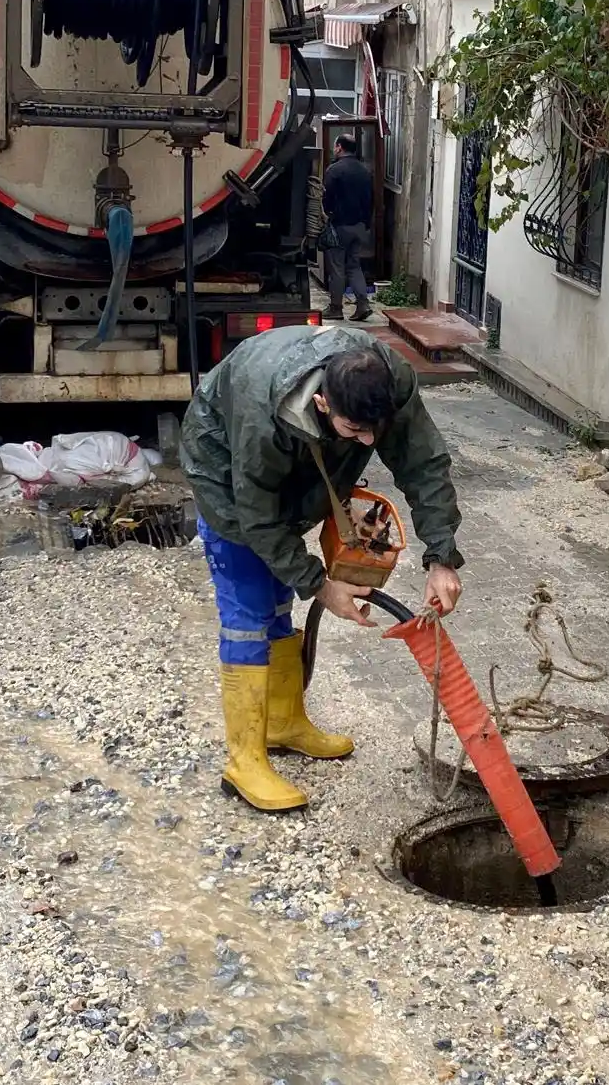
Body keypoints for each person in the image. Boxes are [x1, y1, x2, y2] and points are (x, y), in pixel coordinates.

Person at [180, 324, 464, 813]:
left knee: (278, 601)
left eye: (376, 429)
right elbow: (258, 516)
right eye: (358, 432)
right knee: (249, 610)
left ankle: (284, 724)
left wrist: (441, 556)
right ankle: (244, 760)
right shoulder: (262, 414)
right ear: (324, 404)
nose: (371, 440)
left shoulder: (385, 381)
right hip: (227, 477)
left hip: (286, 470)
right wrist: (320, 584)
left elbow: (424, 464)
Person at [322, 134, 373, 322]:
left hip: (340, 226)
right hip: (360, 226)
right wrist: (366, 223)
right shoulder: (365, 170)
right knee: (354, 265)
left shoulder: (334, 170)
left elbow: (327, 199)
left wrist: (328, 216)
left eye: (335, 146)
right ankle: (363, 304)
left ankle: (336, 307)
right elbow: (371, 200)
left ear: (339, 147)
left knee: (336, 267)